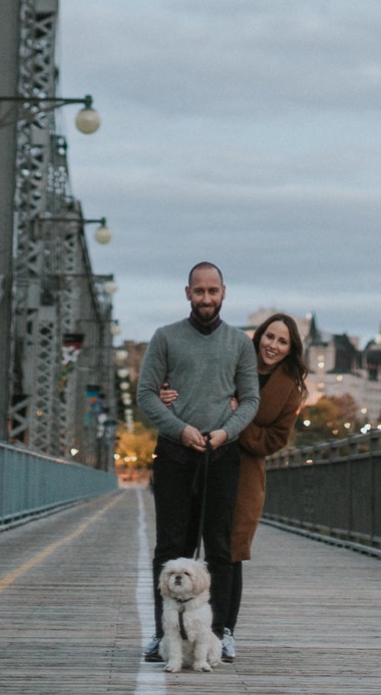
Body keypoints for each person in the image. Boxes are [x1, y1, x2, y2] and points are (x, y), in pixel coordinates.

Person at [158, 311, 308, 663]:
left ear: (291, 348)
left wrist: (241, 421)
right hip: (200, 461)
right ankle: (175, 633)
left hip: (244, 473)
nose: (273, 345)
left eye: (282, 341)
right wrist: (168, 395)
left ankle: (223, 631)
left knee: (229, 552)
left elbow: (275, 439)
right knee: (187, 542)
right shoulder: (235, 360)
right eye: (269, 337)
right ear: (258, 338)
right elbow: (195, 387)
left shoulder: (290, 389)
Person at [136, 261, 259, 664]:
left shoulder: (240, 343)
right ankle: (162, 635)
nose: (207, 298)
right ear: (187, 293)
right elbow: (147, 394)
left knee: (220, 549)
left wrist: (226, 432)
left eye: (213, 291)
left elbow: (251, 399)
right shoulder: (165, 338)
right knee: (171, 546)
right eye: (199, 291)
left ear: (224, 292)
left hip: (222, 454)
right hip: (175, 454)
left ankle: (219, 634)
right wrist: (179, 429)